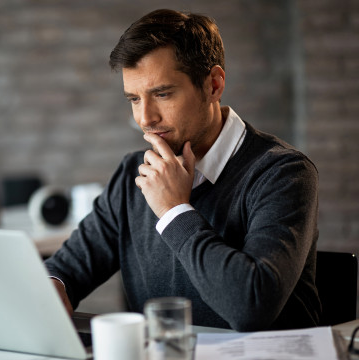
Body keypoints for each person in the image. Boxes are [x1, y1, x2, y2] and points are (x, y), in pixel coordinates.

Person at [44, 8, 320, 331]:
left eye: (162, 94)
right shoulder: (132, 174)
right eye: (134, 99)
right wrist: (53, 285)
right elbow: (66, 268)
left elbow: (251, 306)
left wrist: (174, 211)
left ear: (214, 85)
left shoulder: (284, 173)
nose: (145, 118)